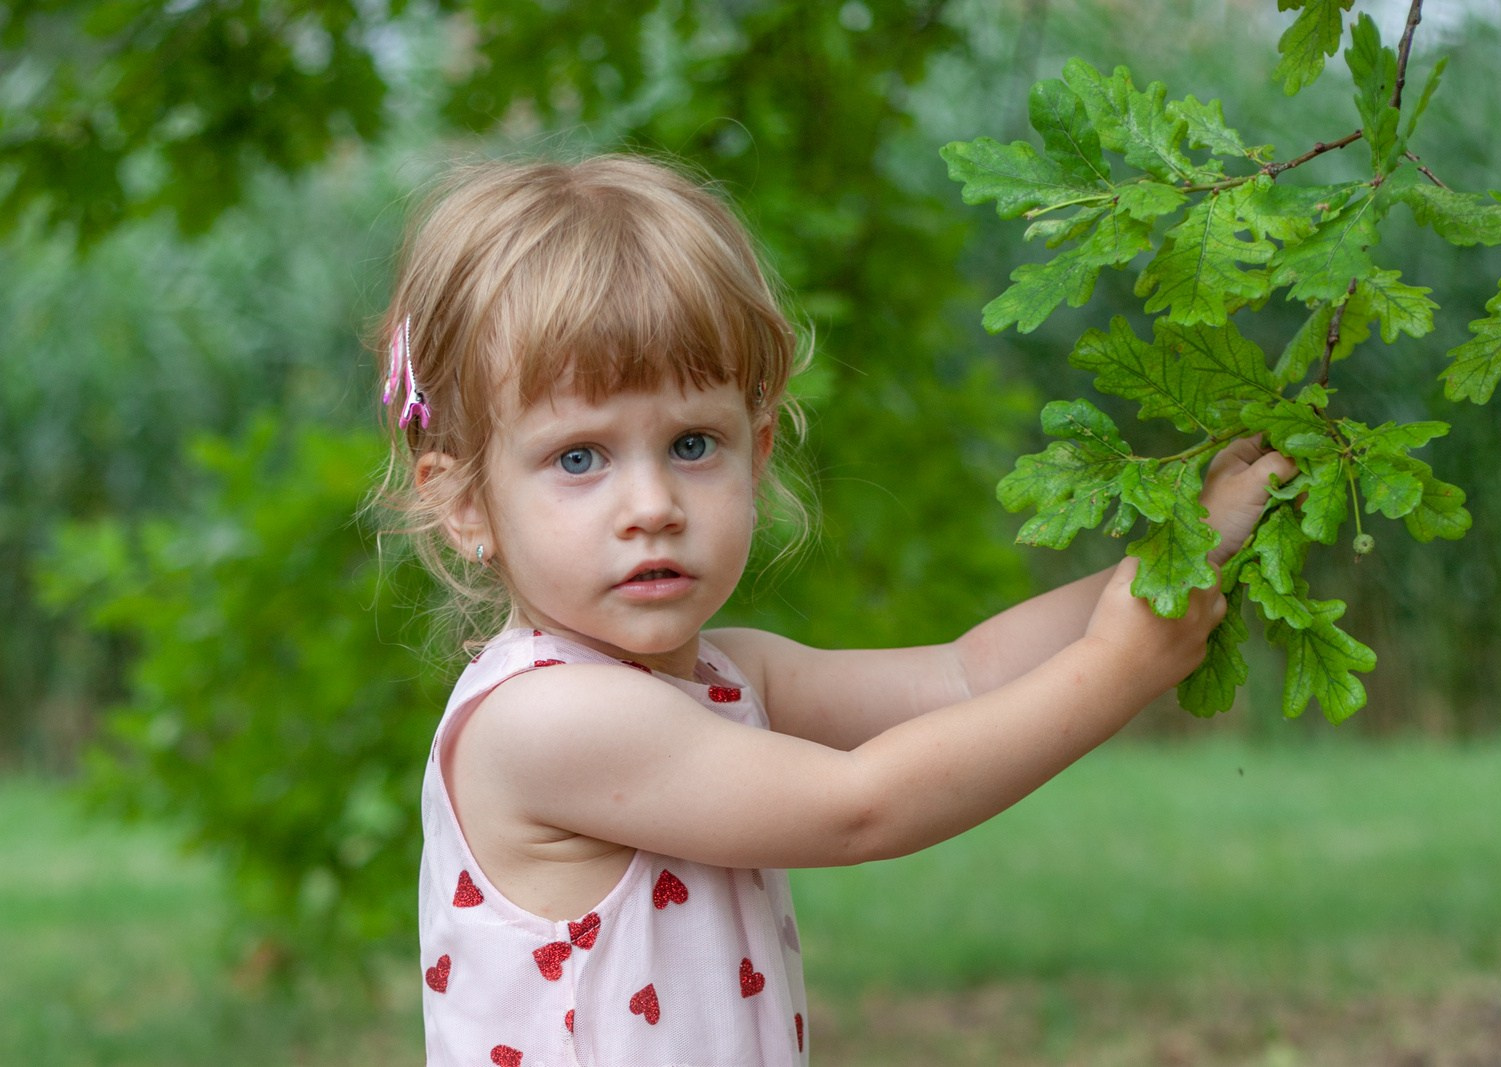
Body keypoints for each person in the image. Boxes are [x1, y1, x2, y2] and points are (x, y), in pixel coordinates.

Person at [373, 153, 1295, 1067]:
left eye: (693, 442)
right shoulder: (546, 719)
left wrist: (1179, 555)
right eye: (579, 457)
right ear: (463, 503)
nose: (651, 503)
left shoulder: (731, 675)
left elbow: (963, 674)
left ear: (757, 448)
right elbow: (863, 808)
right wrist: (1119, 668)